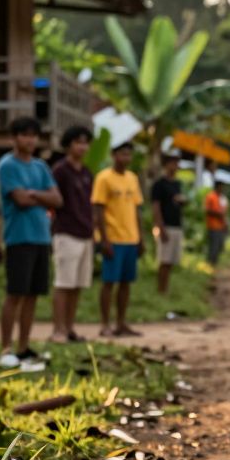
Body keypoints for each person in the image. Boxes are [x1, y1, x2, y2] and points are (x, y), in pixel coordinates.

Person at [0, 117, 62, 368]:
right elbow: (20, 200)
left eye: (34, 135)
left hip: (41, 237)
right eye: (24, 135)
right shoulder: (7, 166)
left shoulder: (41, 167)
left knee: (33, 295)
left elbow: (57, 200)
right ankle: (5, 348)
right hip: (18, 238)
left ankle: (23, 348)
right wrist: (40, 197)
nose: (30, 140)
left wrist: (33, 194)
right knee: (15, 293)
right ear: (14, 137)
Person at [92, 143, 145, 337]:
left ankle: (121, 323)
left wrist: (141, 237)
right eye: (123, 154)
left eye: (129, 155)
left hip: (131, 237)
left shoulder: (133, 178)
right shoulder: (103, 178)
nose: (126, 158)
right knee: (109, 282)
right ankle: (105, 323)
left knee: (126, 283)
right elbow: (98, 209)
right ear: (114, 155)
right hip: (112, 238)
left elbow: (137, 209)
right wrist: (103, 239)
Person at [50, 126, 94, 344]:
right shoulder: (60, 170)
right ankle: (58, 329)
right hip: (66, 232)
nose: (82, 147)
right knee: (63, 283)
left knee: (77, 285)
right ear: (68, 145)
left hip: (85, 233)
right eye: (78, 142)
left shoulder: (86, 173)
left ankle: (69, 327)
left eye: (85, 142)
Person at [151, 152, 185, 295]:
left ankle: (165, 289)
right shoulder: (159, 184)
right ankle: (160, 290)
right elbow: (156, 206)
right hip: (166, 226)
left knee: (170, 262)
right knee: (164, 261)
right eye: (173, 163)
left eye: (177, 163)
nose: (175, 166)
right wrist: (160, 226)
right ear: (166, 165)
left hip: (176, 225)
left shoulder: (177, 184)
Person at [204, 180, 229, 265]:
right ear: (217, 187)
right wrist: (218, 214)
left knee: (219, 246)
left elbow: (224, 212)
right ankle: (210, 264)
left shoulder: (222, 198)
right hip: (213, 226)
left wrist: (225, 222)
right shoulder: (210, 196)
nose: (223, 189)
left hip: (221, 226)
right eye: (221, 187)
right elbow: (207, 210)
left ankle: (214, 264)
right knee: (213, 247)